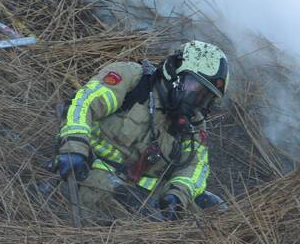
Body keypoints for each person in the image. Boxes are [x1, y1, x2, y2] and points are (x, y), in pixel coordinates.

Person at [55, 40, 229, 221]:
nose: (197, 101)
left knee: (214, 208)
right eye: (196, 89)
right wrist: (74, 147)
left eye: (205, 97)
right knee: (143, 214)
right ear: (174, 71)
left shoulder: (193, 123)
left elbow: (197, 166)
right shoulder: (132, 79)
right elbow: (83, 104)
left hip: (141, 188)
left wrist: (177, 196)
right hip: (88, 170)